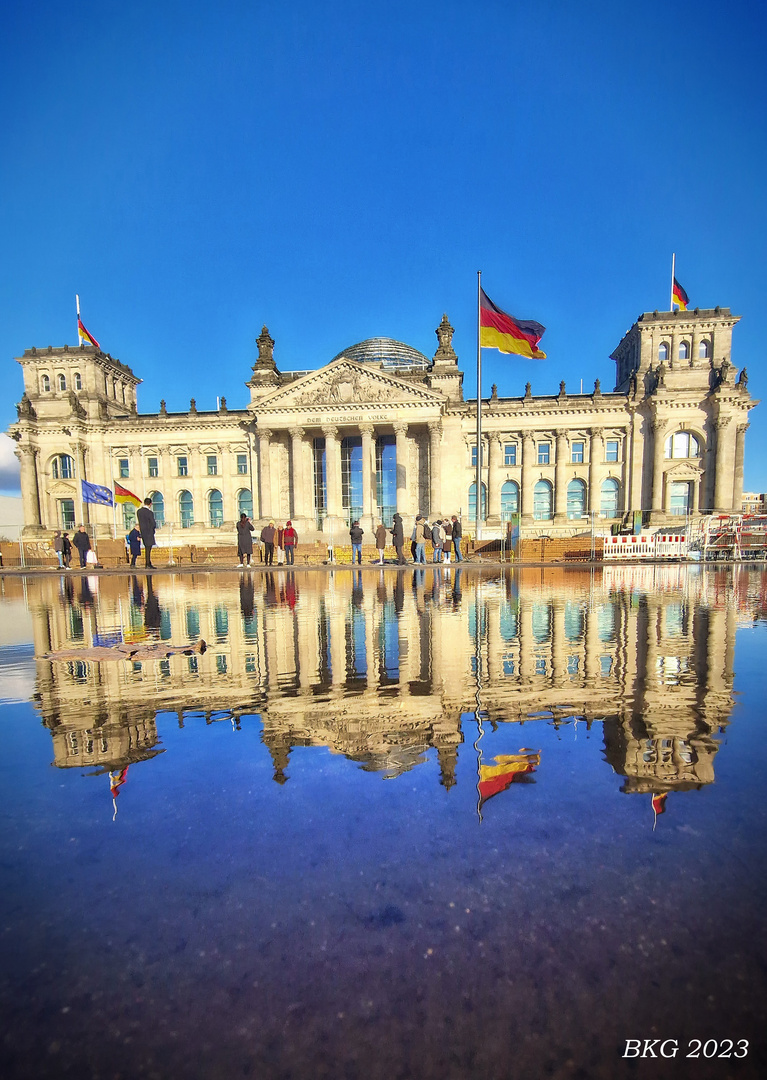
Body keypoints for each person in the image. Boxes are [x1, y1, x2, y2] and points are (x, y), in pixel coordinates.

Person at [137, 497, 157, 569]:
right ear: (150, 504)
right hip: (149, 532)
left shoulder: (139, 512)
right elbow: (153, 523)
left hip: (143, 532)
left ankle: (148, 563)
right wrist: (153, 529)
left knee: (146, 548)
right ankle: (148, 564)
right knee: (148, 549)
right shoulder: (149, 512)